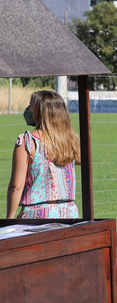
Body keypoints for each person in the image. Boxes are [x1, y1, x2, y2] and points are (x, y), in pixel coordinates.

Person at [6, 90, 81, 219]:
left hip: (36, 216)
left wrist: (9, 218)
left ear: (39, 112)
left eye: (31, 106)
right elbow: (79, 160)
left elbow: (16, 187)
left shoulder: (27, 141)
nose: (28, 109)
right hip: (69, 214)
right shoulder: (72, 139)